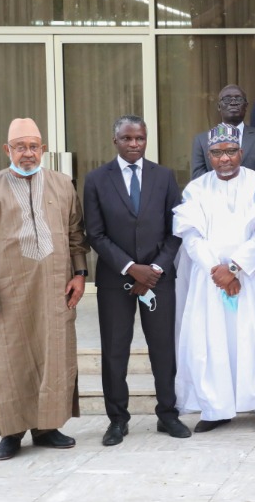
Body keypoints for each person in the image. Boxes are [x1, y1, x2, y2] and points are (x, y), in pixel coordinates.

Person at [0, 118, 89, 461]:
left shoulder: (63, 186)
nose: (28, 153)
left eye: (34, 146)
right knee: (9, 359)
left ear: (43, 149)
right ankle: (12, 431)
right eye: (20, 147)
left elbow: (76, 236)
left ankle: (47, 427)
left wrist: (79, 274)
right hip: (7, 295)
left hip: (53, 292)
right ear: (8, 150)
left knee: (54, 356)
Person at [84, 115, 191, 445]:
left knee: (163, 349)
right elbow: (95, 234)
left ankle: (167, 414)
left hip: (159, 279)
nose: (134, 144)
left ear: (146, 140)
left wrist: (154, 269)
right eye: (127, 139)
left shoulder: (165, 176)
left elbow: (177, 229)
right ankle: (117, 419)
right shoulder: (96, 179)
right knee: (115, 351)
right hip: (116, 281)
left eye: (140, 139)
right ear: (115, 140)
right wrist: (132, 267)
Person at [173, 124, 255, 433]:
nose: (225, 159)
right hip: (209, 280)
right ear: (208, 156)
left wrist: (234, 268)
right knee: (211, 340)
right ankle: (216, 408)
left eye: (231, 152)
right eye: (218, 153)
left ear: (241, 153)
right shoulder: (196, 188)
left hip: (250, 275)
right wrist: (217, 271)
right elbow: (190, 236)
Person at [191, 85, 255, 180]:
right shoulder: (202, 140)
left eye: (239, 99)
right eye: (227, 99)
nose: (233, 103)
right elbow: (198, 179)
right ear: (218, 106)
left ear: (246, 106)